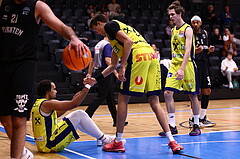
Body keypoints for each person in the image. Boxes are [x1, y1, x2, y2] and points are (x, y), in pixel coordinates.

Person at [0, 0, 88, 158]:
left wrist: (73, 38)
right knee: (5, 119)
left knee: (19, 119)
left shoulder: (37, 6)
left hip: (24, 64)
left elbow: (61, 26)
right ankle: (23, 153)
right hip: (2, 64)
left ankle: (16, 156)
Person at [89, 14, 183, 153]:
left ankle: (118, 141)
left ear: (99, 23)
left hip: (138, 56)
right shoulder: (114, 36)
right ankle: (172, 141)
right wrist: (95, 79)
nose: (97, 33)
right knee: (154, 100)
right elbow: (112, 65)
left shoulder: (110, 26)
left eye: (96, 29)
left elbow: (128, 42)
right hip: (151, 56)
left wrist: (123, 67)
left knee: (123, 99)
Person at [31, 79, 114, 152]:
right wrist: (88, 86)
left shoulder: (38, 103)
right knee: (79, 114)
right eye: (54, 89)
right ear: (47, 91)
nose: (56, 91)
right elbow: (74, 104)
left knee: (77, 118)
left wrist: (72, 101)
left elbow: (56, 114)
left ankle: (102, 138)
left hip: (44, 144)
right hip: (50, 143)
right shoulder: (48, 103)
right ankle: (105, 139)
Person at [159, 1, 201, 137]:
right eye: (169, 14)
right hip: (174, 64)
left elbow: (188, 50)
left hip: (187, 65)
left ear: (180, 14)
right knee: (167, 93)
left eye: (172, 14)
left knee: (193, 95)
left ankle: (196, 125)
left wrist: (182, 69)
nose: (170, 17)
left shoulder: (187, 29)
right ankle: (172, 126)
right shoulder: (173, 30)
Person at [85, 36, 128, 127]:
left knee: (110, 97)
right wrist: (116, 73)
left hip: (98, 71)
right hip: (105, 72)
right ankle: (85, 116)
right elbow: (108, 60)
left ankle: (116, 119)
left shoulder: (98, 44)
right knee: (101, 96)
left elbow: (92, 60)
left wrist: (89, 73)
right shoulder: (107, 45)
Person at [189, 15, 216, 128]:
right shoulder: (189, 33)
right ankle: (192, 118)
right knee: (196, 92)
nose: (195, 24)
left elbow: (205, 49)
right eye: (193, 22)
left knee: (207, 90)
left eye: (197, 22)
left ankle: (203, 117)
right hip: (195, 65)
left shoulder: (205, 32)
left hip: (204, 64)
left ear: (200, 23)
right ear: (191, 23)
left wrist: (209, 50)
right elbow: (187, 51)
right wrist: (195, 51)